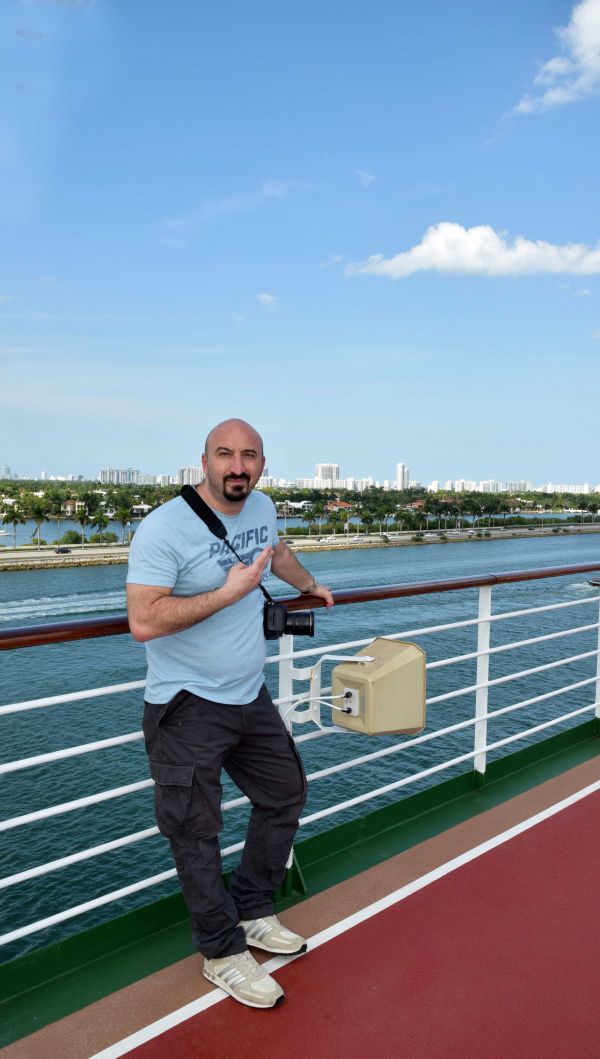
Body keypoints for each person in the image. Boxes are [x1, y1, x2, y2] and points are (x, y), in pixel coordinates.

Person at [126, 418, 334, 1009]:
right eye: (225, 455)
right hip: (188, 703)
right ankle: (221, 952)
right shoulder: (163, 528)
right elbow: (143, 620)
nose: (237, 466)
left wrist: (310, 584)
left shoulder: (262, 507)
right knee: (195, 832)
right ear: (204, 461)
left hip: (248, 693)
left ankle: (253, 909)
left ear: (262, 463)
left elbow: (278, 552)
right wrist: (231, 592)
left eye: (249, 456)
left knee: (285, 791)